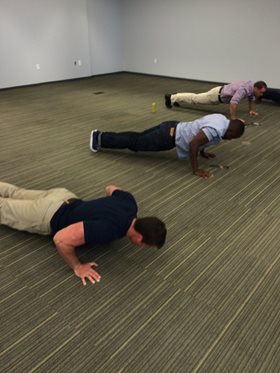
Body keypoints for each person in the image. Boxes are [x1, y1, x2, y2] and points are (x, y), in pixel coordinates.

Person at [0, 182, 166, 285]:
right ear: (139, 237)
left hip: (63, 196)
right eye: (145, 246)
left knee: (15, 193)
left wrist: (103, 209)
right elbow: (61, 239)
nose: (142, 248)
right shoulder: (110, 230)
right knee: (3, 208)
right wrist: (77, 267)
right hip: (46, 214)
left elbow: (110, 188)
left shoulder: (130, 202)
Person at [90, 113, 245, 179]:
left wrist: (203, 152)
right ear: (230, 130)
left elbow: (200, 133)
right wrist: (196, 169)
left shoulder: (221, 119)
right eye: (232, 137)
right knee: (136, 143)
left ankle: (102, 137)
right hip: (167, 137)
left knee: (137, 137)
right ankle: (99, 138)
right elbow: (194, 144)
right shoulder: (216, 129)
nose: (230, 140)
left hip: (171, 126)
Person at [165, 80, 267, 119]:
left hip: (219, 92)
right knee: (194, 99)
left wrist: (250, 110)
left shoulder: (251, 86)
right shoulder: (244, 89)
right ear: (256, 88)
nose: (261, 94)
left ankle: (176, 97)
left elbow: (250, 98)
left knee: (195, 98)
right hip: (215, 96)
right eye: (261, 92)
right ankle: (171, 97)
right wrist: (234, 119)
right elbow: (233, 103)